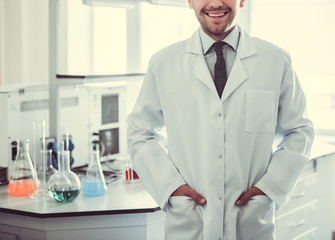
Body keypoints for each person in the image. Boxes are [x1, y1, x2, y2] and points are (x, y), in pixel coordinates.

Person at [127, 0, 314, 239]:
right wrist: (170, 188)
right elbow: (139, 132)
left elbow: (299, 130)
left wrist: (268, 189)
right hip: (190, 221)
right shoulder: (164, 63)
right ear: (190, 1)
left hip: (251, 222)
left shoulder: (276, 60)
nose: (215, 3)